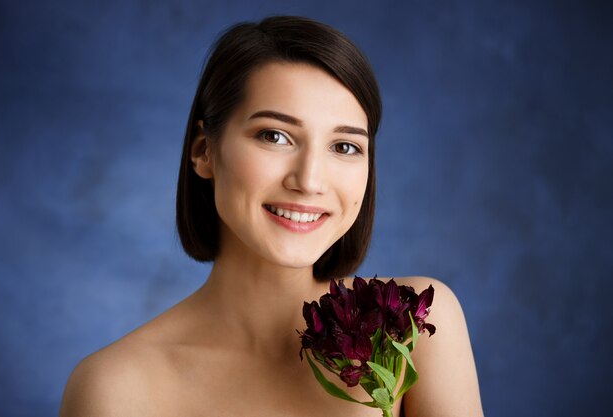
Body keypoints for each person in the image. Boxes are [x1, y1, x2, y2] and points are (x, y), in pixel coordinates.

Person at [59, 16, 484, 417]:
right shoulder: (114, 388)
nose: (309, 180)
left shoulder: (416, 323)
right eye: (275, 136)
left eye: (344, 147)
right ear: (204, 151)